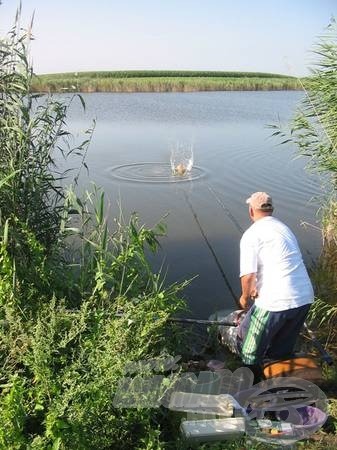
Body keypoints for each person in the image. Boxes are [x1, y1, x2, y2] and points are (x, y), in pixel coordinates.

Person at [237, 192, 314, 378]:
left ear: (251, 211)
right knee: (280, 350)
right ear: (271, 210)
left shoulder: (251, 235)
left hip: (275, 301)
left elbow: (248, 276)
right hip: (304, 297)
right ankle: (280, 383)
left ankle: (253, 385)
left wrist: (244, 298)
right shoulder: (284, 228)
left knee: (247, 348)